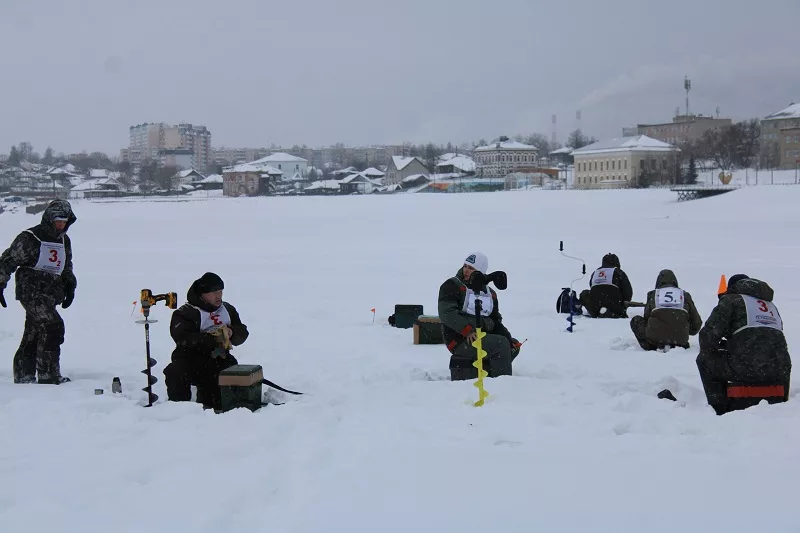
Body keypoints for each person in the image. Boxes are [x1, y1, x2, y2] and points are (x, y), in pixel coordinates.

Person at [0, 199, 77, 384]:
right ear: (48, 219)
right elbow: (8, 260)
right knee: (53, 326)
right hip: (31, 291)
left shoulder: (64, 240)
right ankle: (48, 375)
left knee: (34, 332)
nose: (61, 224)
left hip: (51, 293)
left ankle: (24, 374)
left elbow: (65, 266)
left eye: (64, 221)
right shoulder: (30, 238)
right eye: (57, 220)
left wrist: (70, 285)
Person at [696, 274, 791, 415]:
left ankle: (719, 409)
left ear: (732, 288)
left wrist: (720, 346)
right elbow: (764, 340)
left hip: (746, 369)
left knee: (704, 359)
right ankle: (782, 401)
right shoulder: (771, 307)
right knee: (779, 359)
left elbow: (707, 338)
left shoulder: (731, 300)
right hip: (778, 373)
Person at [163, 272, 249, 409]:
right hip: (189, 358)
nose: (219, 296)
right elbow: (182, 338)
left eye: (220, 291)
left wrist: (232, 333)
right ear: (202, 294)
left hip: (218, 358)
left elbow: (242, 332)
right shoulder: (185, 312)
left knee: (224, 380)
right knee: (175, 371)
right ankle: (178, 410)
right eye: (214, 292)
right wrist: (213, 338)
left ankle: (215, 409)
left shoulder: (227, 309)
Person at [438, 252, 521, 381]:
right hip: (459, 340)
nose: (466, 270)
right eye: (465, 266)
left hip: (482, 336)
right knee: (500, 344)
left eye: (471, 268)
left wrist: (508, 338)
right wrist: (466, 330)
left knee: (511, 345)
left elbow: (495, 320)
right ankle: (504, 384)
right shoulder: (451, 286)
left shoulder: (490, 294)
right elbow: (447, 313)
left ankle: (488, 373)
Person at [630, 269, 703, 351]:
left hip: (655, 337)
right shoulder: (684, 295)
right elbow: (697, 323)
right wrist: (682, 329)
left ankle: (650, 346)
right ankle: (677, 344)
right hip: (680, 339)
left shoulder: (653, 294)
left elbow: (646, 318)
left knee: (636, 320)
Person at [579, 253, 633, 318]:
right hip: (614, 306)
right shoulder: (618, 272)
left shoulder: (595, 273)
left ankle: (599, 311)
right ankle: (610, 312)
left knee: (585, 293)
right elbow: (628, 292)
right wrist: (623, 305)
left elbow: (592, 286)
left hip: (595, 306)